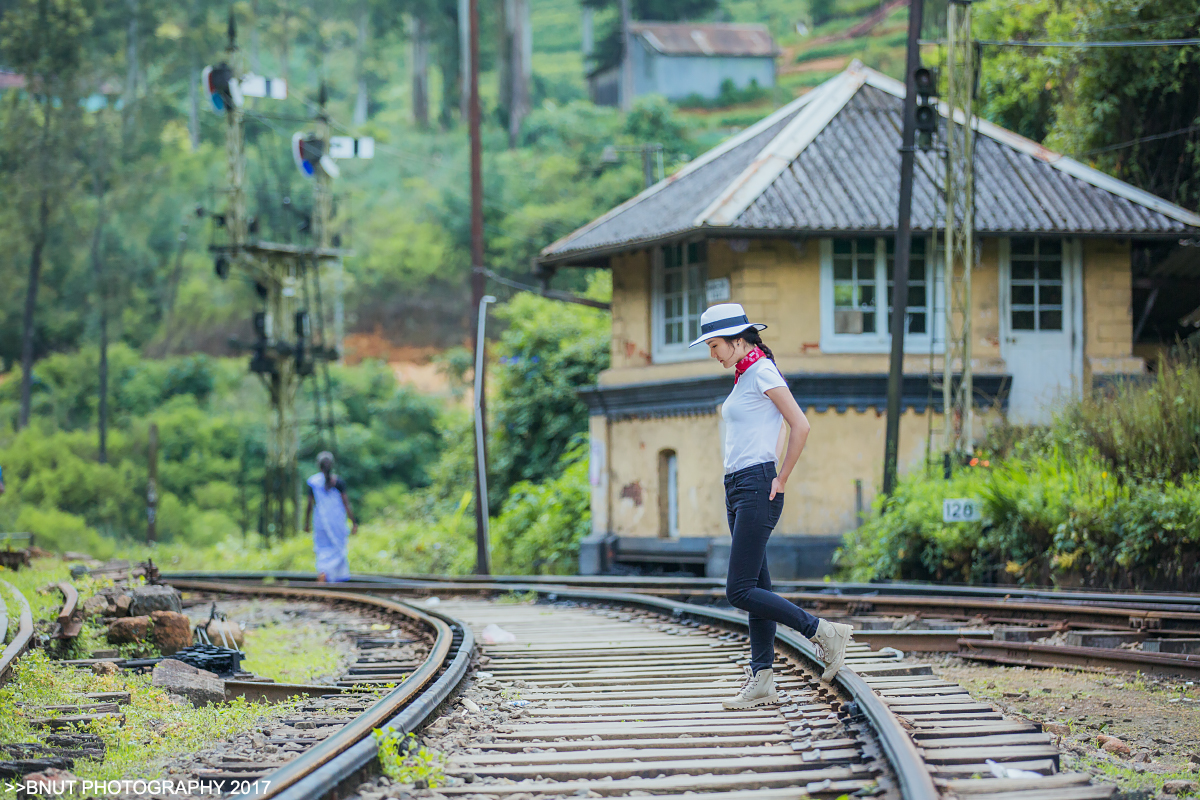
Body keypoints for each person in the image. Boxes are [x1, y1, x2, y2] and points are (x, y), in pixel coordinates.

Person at [689, 303, 855, 709]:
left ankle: (821, 631)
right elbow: (777, 425)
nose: (713, 353)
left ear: (737, 339)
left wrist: (780, 476)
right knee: (757, 586)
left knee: (739, 589)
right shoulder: (746, 373)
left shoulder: (761, 369)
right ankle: (762, 678)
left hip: (756, 485)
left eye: (715, 345)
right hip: (739, 486)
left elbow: (800, 423)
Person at [303, 451, 358, 582]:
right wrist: (354, 522)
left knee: (322, 549)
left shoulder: (313, 482)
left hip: (320, 522)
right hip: (337, 522)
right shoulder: (338, 482)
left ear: (318, 466)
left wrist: (306, 523)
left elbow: (309, 505)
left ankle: (324, 572)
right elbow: (346, 505)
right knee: (338, 548)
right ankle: (337, 577)